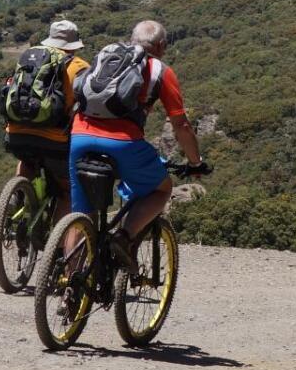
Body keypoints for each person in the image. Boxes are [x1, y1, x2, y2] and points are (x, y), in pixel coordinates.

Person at [67, 20, 207, 251]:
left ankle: (69, 280)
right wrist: (195, 162)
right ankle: (124, 237)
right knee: (162, 188)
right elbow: (181, 125)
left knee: (81, 213)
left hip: (80, 135)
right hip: (122, 142)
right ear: (161, 45)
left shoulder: (107, 57)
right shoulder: (160, 70)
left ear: (132, 39)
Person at [3, 19, 90, 225]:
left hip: (16, 134)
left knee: (27, 159)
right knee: (67, 191)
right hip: (56, 141)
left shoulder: (28, 60)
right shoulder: (79, 67)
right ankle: (58, 250)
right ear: (73, 45)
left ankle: (17, 194)